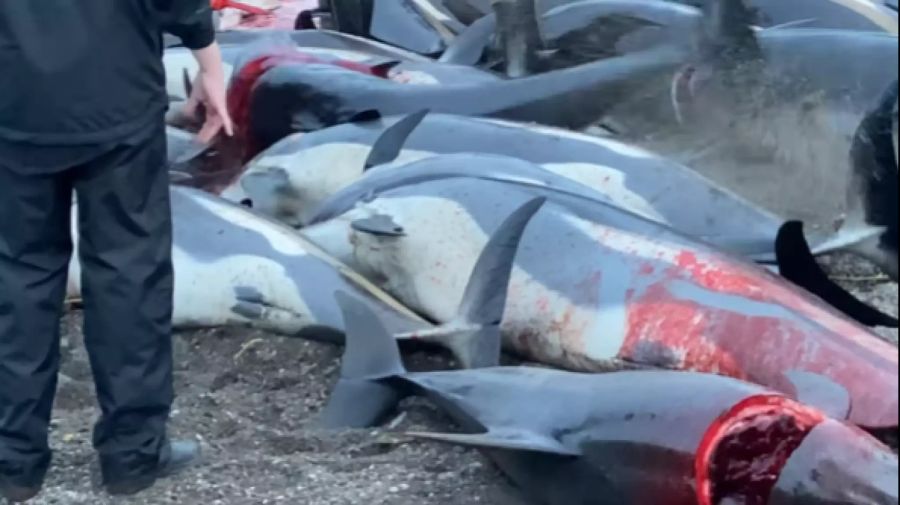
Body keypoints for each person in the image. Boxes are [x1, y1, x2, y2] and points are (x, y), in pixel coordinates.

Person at [0, 1, 233, 501]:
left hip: (13, 100)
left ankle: (12, 460)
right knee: (130, 273)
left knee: (15, 278)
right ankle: (132, 454)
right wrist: (209, 63)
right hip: (117, 96)